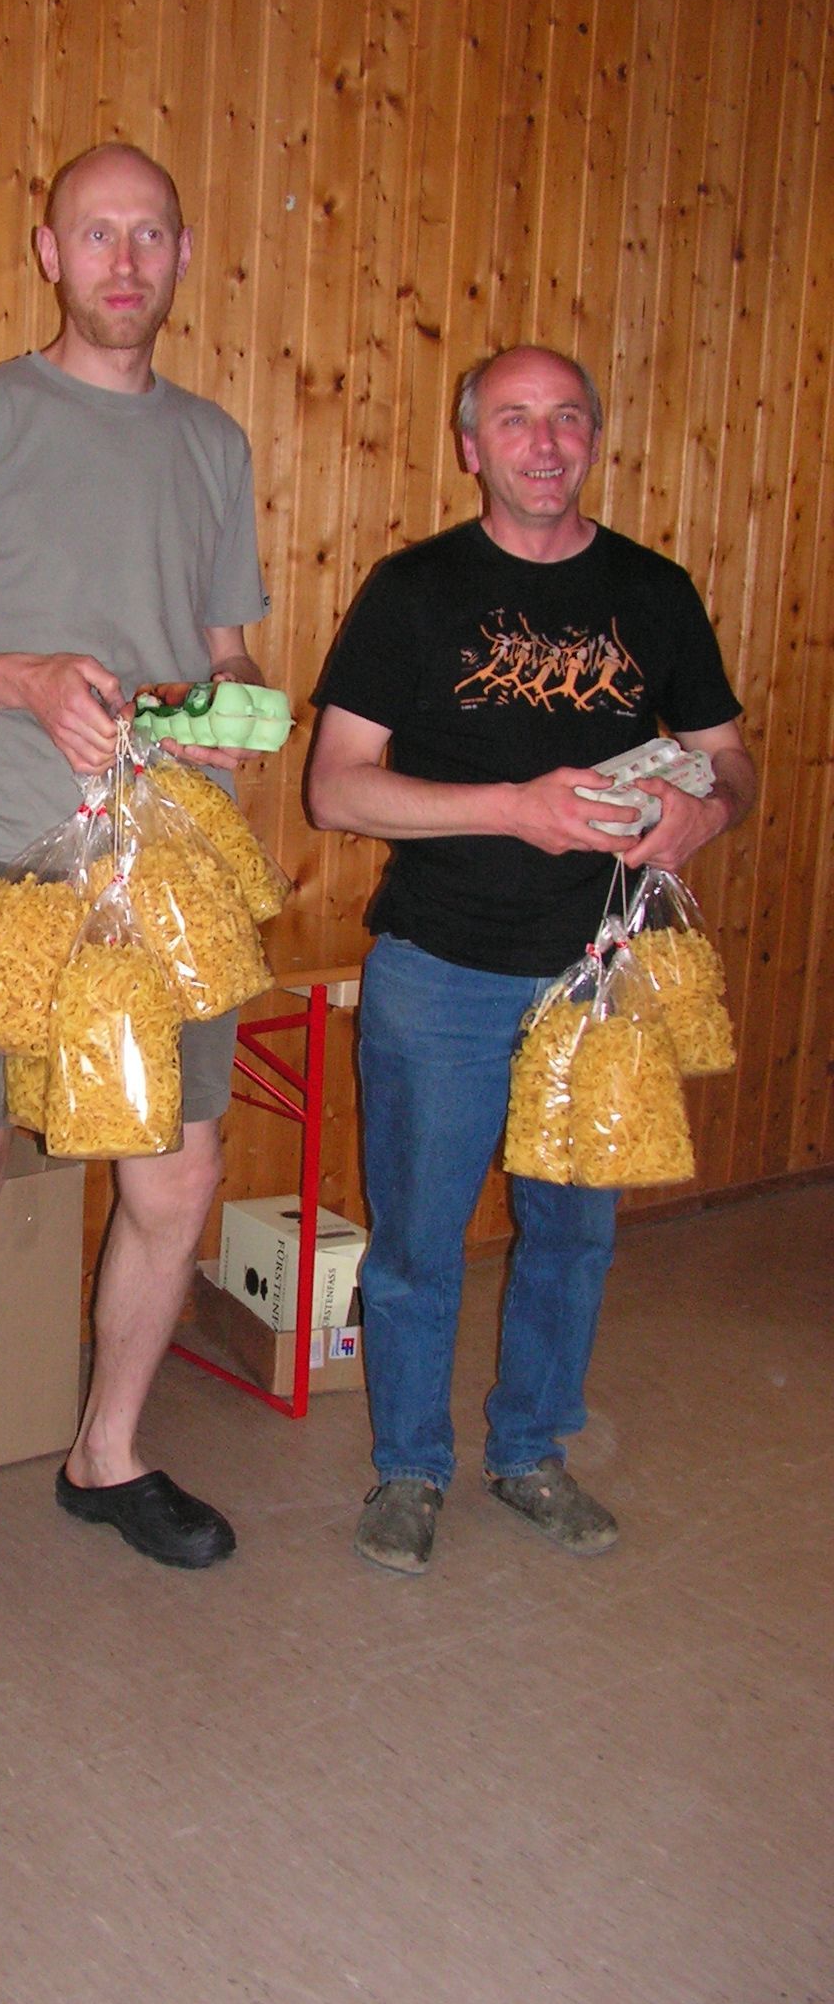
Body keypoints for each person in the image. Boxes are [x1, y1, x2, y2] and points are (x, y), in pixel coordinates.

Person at [0, 142, 272, 1619]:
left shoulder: (213, 444)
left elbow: (228, 657)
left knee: (178, 1173)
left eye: (150, 235)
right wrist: (21, 679)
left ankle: (108, 1453)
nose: (124, 261)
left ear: (182, 254)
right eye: (97, 234)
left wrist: (223, 719)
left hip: (169, 868)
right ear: (49, 252)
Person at [306, 344, 755, 1575]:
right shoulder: (414, 590)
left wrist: (707, 812)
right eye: (514, 419)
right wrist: (515, 806)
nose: (544, 443)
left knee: (573, 1234)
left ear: (593, 438)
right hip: (438, 969)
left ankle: (530, 1452)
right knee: (417, 1240)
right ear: (472, 446)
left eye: (566, 418)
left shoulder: (654, 591)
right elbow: (336, 790)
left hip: (600, 983)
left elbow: (731, 757)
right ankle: (410, 1467)